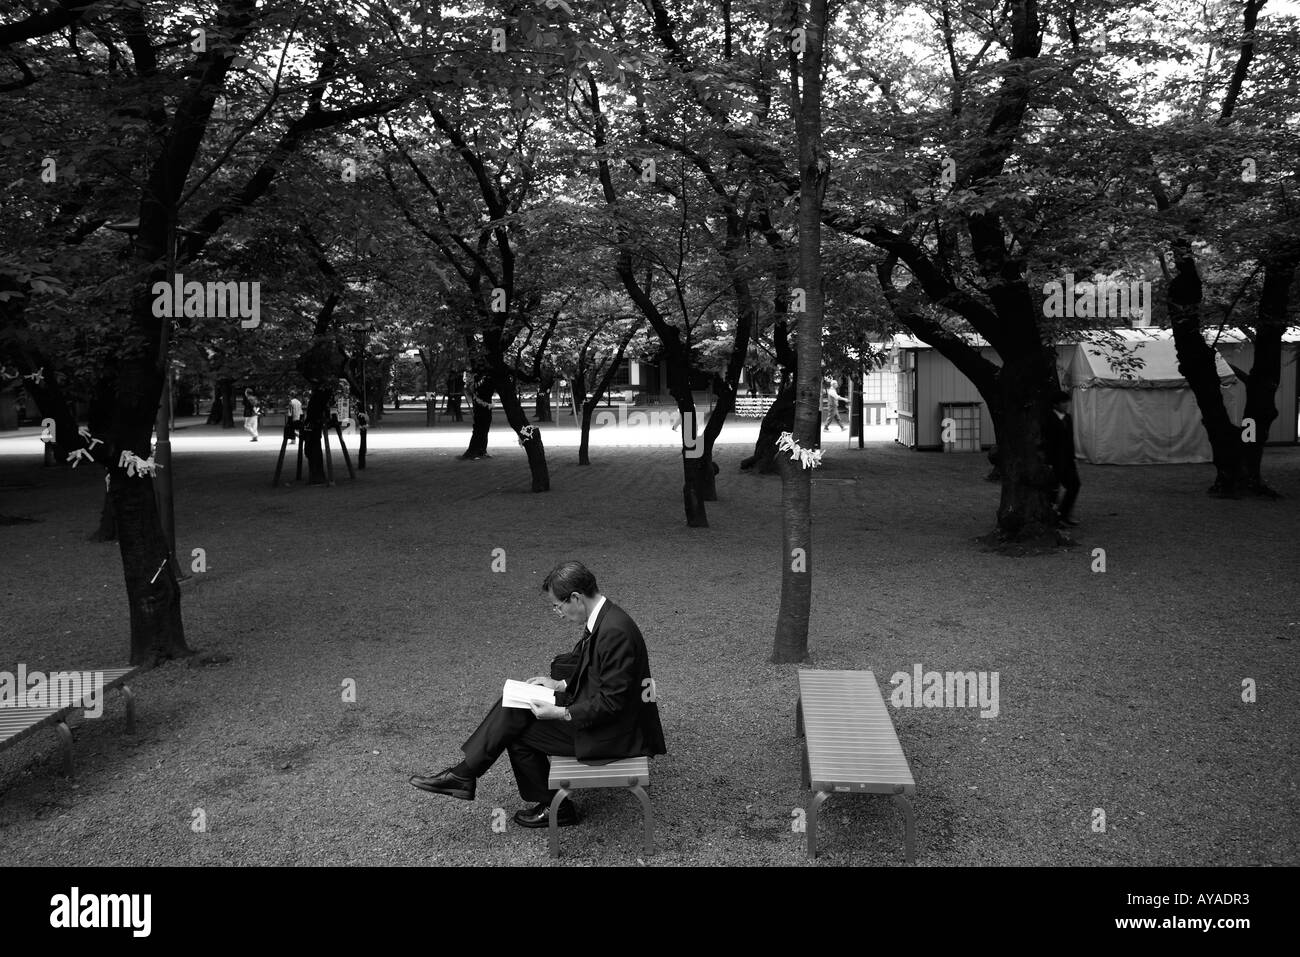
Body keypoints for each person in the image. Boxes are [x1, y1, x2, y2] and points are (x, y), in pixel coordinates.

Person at [409, 561, 667, 828]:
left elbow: (613, 702)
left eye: (557, 606)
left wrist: (562, 713)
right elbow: (599, 675)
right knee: (514, 704)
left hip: (615, 733)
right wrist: (561, 685)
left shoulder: (614, 631)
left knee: (516, 731)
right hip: (599, 714)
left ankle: (551, 805)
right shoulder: (606, 617)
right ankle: (465, 775)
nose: (558, 613)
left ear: (576, 597)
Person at [1045, 389, 1080, 527]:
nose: (1066, 405)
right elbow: (1047, 442)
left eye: (1067, 402)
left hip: (1067, 460)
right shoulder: (1048, 419)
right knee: (1053, 490)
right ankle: (1053, 518)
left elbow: (1069, 440)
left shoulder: (1068, 418)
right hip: (1054, 460)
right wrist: (1048, 461)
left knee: (1074, 485)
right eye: (1063, 402)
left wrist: (1073, 457)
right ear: (1056, 404)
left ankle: (1063, 514)